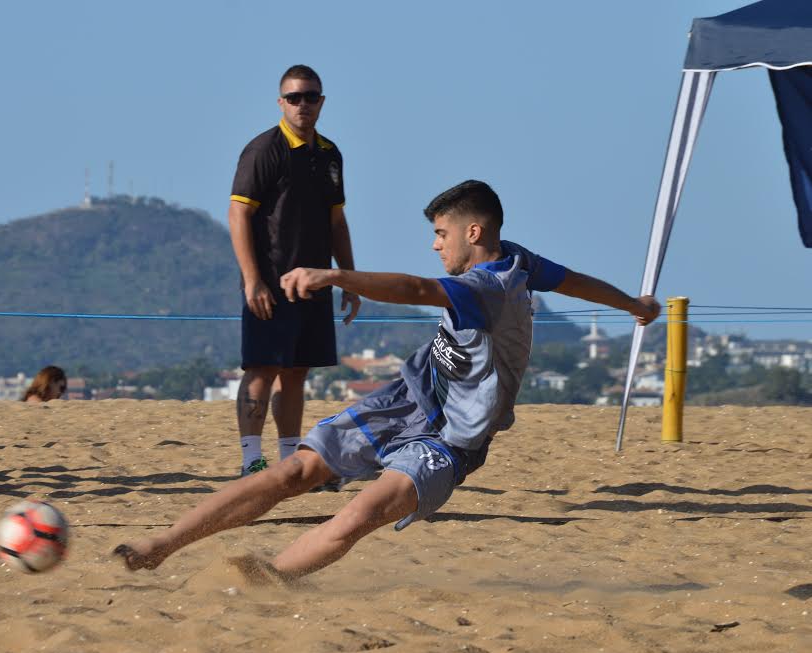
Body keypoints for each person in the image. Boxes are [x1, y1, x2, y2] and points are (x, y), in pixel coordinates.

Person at [114, 179, 660, 579]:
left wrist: (335, 275)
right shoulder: (521, 261)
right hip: (406, 400)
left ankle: (265, 580)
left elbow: (415, 289)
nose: (435, 244)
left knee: (364, 509)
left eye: (441, 233)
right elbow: (574, 281)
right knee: (294, 471)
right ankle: (157, 546)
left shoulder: (485, 287)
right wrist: (632, 303)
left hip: (452, 439)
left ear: (474, 232)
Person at [228, 64, 361, 477]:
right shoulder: (263, 150)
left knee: (296, 372)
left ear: (322, 101)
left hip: (315, 281)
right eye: (294, 97)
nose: (303, 104)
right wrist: (253, 280)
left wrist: (349, 279)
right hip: (271, 281)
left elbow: (337, 223)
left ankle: (289, 460)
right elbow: (238, 215)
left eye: (311, 96)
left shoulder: (330, 154)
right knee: (262, 369)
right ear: (281, 102)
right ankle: (253, 461)